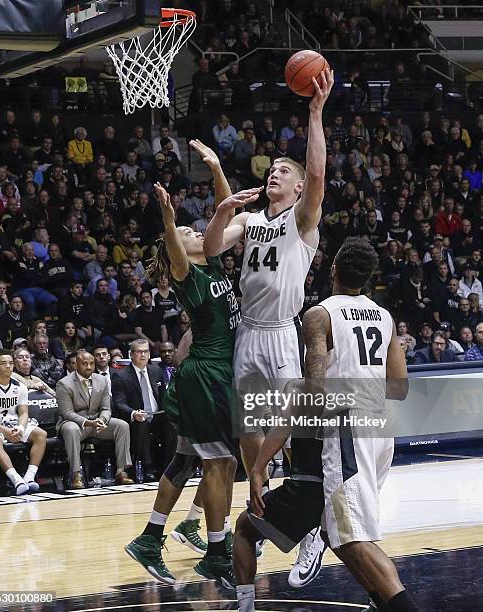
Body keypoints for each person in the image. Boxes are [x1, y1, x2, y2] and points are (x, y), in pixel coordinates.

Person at [204, 69, 334, 581]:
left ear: (297, 186)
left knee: (297, 435)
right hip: (248, 336)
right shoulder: (252, 221)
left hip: (283, 332)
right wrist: (221, 212)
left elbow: (319, 176)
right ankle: (269, 521)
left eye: (284, 169)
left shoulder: (302, 221)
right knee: (249, 444)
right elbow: (214, 247)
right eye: (273, 168)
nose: (275, 173)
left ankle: (311, 532)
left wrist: (315, 114)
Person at [124, 172, 255, 586]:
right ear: (179, 246)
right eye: (187, 231)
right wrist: (167, 220)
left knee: (188, 462)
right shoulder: (190, 278)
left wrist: (217, 169)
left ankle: (151, 540)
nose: (195, 231)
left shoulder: (212, 261)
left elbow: (225, 214)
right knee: (222, 462)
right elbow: (177, 250)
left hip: (212, 376)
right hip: (205, 377)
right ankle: (216, 553)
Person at [291, 237, 417, 612]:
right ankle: (383, 602)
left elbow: (315, 388)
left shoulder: (319, 314)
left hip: (346, 430)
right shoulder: (384, 315)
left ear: (333, 270)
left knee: (350, 538)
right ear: (367, 279)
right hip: (380, 426)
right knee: (339, 533)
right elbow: (399, 387)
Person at [56, 351, 134, 489]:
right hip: (76, 423)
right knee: (71, 429)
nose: (88, 367)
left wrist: (102, 420)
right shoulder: (64, 383)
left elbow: (106, 408)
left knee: (122, 425)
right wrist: (87, 422)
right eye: (84, 364)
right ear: (76, 365)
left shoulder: (102, 380)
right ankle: (76, 474)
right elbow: (66, 412)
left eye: (91, 363)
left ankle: (121, 472)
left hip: (96, 422)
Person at [112, 338, 176, 479]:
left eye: (146, 351)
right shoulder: (121, 376)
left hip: (157, 414)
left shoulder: (156, 371)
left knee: (172, 421)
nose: (143, 355)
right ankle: (148, 467)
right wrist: (133, 413)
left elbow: (165, 397)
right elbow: (119, 402)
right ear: (131, 354)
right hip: (137, 417)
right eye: (139, 352)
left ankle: (169, 465)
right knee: (141, 424)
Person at [0, 349, 47, 495]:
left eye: (10, 363)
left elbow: (24, 413)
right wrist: (4, 431)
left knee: (41, 434)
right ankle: (16, 480)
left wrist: (20, 427)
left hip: (13, 423)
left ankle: (29, 477)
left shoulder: (20, 386)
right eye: (3, 363)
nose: (8, 366)